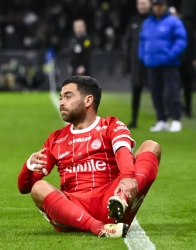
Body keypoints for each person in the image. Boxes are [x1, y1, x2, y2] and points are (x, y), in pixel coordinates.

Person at [18, 76, 161, 237]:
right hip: (73, 208)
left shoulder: (110, 125)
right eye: (61, 97)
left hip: (111, 199)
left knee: (151, 146)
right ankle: (98, 227)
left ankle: (120, 201)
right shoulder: (56, 139)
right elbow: (25, 187)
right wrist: (28, 167)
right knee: (39, 188)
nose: (61, 102)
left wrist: (127, 176)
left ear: (88, 100)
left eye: (68, 96)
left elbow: (122, 150)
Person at [139, 0, 187, 132]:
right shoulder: (148, 22)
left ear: (164, 6)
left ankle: (176, 119)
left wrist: (170, 55)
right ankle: (161, 119)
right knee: (155, 94)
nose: (157, 8)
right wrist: (143, 56)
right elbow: (142, 41)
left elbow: (181, 40)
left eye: (159, 5)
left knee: (172, 92)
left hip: (169, 64)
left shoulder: (173, 21)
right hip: (152, 63)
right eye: (155, 6)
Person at [123, 0, 151, 128]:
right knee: (136, 91)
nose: (142, 6)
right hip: (136, 63)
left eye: (144, 3)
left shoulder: (153, 20)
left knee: (158, 91)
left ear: (150, 4)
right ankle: (134, 119)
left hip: (151, 62)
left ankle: (163, 119)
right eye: (140, 4)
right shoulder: (133, 21)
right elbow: (127, 42)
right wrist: (127, 63)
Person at [170, 7, 196, 118]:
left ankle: (188, 109)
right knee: (173, 87)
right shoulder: (166, 25)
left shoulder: (187, 25)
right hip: (172, 61)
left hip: (186, 60)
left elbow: (193, 42)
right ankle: (176, 108)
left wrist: (194, 58)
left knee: (187, 86)